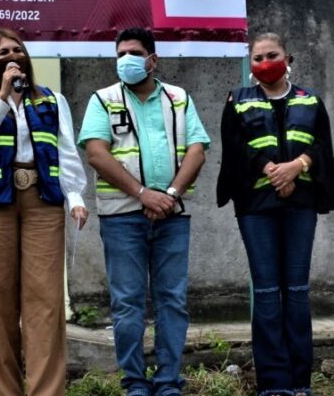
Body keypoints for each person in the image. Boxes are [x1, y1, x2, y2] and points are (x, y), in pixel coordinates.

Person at [77, 27, 209, 396]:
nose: (126, 60)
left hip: (172, 214)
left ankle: (168, 382)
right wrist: (142, 194)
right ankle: (135, 382)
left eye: (133, 53)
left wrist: (168, 194)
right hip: (121, 217)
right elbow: (96, 153)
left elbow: (198, 148)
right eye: (120, 54)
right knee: (127, 303)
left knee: (173, 300)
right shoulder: (102, 99)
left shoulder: (178, 98)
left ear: (153, 59)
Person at [0, 27, 88, 396]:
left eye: (17, 50)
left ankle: (46, 391)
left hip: (43, 202)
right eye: (2, 53)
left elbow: (65, 152)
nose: (11, 57)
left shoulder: (52, 99)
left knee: (45, 302)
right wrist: (1, 97)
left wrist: (75, 197)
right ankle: (6, 391)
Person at [217, 32, 334, 396]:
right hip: (256, 209)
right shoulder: (237, 100)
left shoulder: (311, 100)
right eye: (257, 58)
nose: (264, 63)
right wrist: (274, 171)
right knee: (268, 292)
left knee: (298, 291)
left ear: (289, 57)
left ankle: (300, 383)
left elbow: (323, 147)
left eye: (271, 55)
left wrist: (298, 166)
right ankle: (274, 385)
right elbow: (234, 147)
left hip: (300, 207)